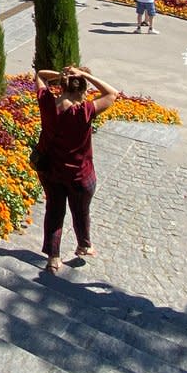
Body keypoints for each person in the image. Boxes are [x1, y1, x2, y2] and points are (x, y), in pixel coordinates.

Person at [33, 65, 119, 274]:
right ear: (83, 90)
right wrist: (86, 74)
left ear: (62, 86)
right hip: (80, 175)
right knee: (81, 211)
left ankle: (53, 258)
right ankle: (84, 245)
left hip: (50, 171)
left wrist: (62, 75)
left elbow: (40, 75)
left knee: (54, 210)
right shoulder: (84, 111)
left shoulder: (47, 103)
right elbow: (112, 93)